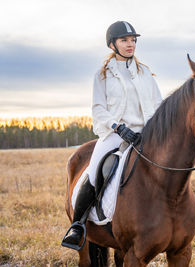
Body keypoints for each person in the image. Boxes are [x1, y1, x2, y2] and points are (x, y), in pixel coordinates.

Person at [62, 21, 163, 249]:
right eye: (124, 40)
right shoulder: (103, 75)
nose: (130, 44)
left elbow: (158, 105)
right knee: (97, 170)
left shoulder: (145, 73)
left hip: (145, 135)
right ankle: (78, 225)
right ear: (112, 44)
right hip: (115, 134)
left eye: (133, 40)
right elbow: (98, 109)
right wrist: (118, 127)